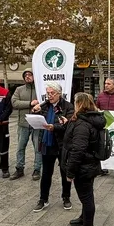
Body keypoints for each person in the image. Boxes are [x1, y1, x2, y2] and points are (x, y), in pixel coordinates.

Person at [62, 92, 105, 226]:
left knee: (86, 197)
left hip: (83, 166)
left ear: (79, 104)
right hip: (89, 164)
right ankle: (83, 218)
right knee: (87, 194)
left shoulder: (82, 124)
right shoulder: (90, 119)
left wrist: (70, 172)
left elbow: (78, 149)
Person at [31, 81, 75, 212]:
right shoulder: (44, 105)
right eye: (48, 93)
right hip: (47, 143)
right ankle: (43, 199)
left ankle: (66, 197)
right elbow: (37, 119)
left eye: (52, 93)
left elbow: (69, 125)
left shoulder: (67, 106)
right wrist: (34, 111)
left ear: (59, 94)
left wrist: (54, 127)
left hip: (62, 144)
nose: (49, 96)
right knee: (46, 173)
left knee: (64, 172)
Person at [10, 69, 42, 181]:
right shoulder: (19, 89)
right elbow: (14, 102)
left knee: (38, 148)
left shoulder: (40, 89)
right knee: (20, 147)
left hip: (37, 124)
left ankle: (37, 169)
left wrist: (39, 106)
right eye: (26, 75)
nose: (27, 77)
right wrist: (30, 103)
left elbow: (46, 102)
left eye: (30, 75)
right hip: (23, 123)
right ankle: (19, 168)